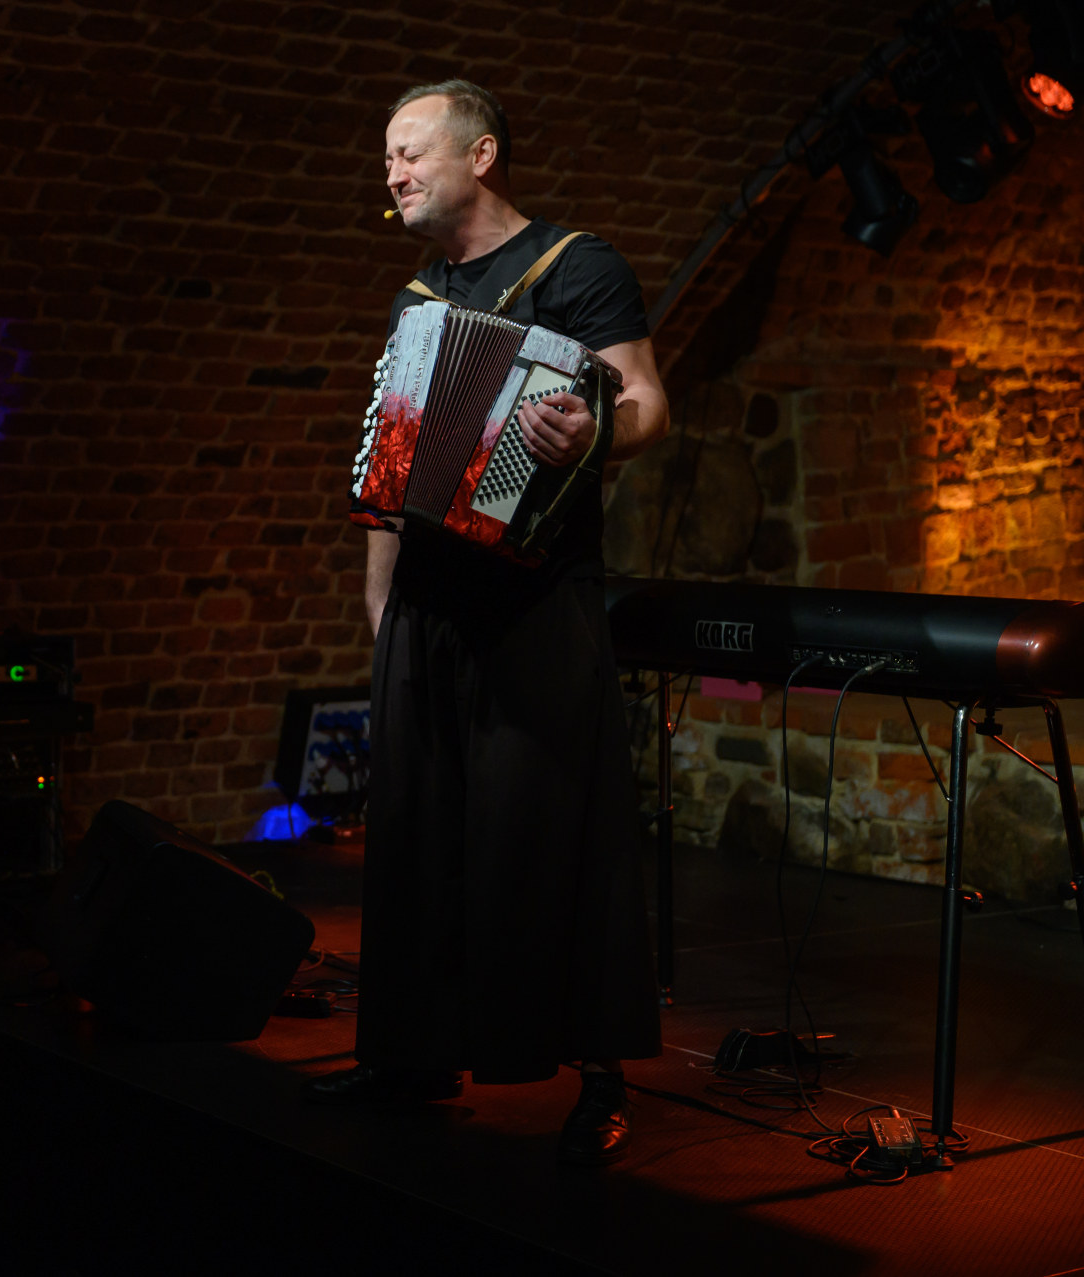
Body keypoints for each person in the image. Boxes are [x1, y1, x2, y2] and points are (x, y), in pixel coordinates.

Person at [302, 81, 671, 1166]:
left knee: (552, 830)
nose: (393, 172)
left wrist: (592, 431)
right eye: (387, 157)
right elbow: (397, 463)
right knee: (416, 836)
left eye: (410, 152)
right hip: (428, 602)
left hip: (536, 597)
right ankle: (412, 1054)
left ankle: (599, 1074)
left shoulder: (578, 268)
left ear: (482, 155)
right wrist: (379, 600)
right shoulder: (419, 299)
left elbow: (647, 401)